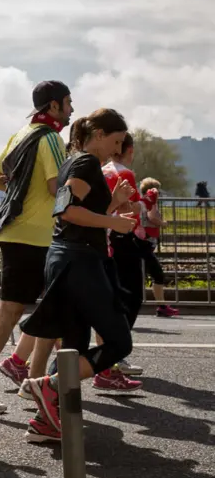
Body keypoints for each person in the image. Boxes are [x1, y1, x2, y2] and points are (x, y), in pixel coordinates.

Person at [21, 109, 141, 443]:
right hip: (78, 262)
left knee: (73, 346)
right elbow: (68, 211)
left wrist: (113, 205)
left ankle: (45, 420)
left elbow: (78, 214)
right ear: (99, 134)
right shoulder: (85, 163)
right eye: (116, 141)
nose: (118, 150)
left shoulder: (76, 162)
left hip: (69, 259)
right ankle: (49, 386)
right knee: (118, 341)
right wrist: (113, 222)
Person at [0, 81, 72, 415]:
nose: (71, 109)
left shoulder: (21, 133)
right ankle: (27, 386)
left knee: (28, 311)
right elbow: (55, 186)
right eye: (68, 103)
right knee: (31, 312)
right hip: (36, 236)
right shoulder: (50, 138)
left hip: (16, 233)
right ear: (53, 106)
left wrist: (20, 185)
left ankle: (8, 383)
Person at [102, 135, 147, 376]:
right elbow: (128, 208)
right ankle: (117, 352)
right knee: (131, 297)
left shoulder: (103, 170)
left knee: (114, 297)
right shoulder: (125, 173)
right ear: (129, 149)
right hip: (123, 235)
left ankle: (111, 355)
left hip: (107, 236)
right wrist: (144, 204)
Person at [138, 178, 177, 317]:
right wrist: (163, 223)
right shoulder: (151, 202)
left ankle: (161, 305)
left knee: (146, 274)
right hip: (145, 243)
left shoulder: (142, 202)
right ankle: (161, 306)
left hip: (144, 242)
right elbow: (152, 217)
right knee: (157, 274)